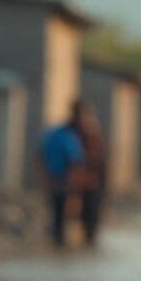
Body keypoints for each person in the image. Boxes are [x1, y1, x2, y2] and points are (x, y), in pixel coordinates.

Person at [40, 107, 85, 247]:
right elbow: (75, 161)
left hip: (52, 177)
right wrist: (74, 182)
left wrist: (45, 176)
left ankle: (56, 238)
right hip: (63, 179)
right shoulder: (68, 138)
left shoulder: (52, 135)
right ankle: (59, 239)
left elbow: (40, 155)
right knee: (62, 210)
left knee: (55, 209)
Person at [71, 99, 107, 246]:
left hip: (93, 180)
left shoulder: (93, 132)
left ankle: (89, 240)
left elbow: (100, 159)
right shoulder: (71, 131)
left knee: (91, 213)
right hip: (77, 178)